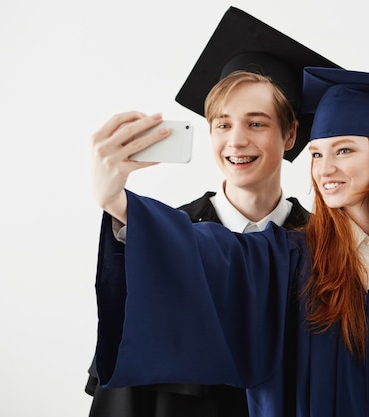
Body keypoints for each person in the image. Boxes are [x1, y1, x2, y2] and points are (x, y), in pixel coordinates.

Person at [90, 67, 369, 417]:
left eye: (344, 150)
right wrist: (118, 203)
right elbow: (215, 251)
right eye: (317, 154)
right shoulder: (288, 256)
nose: (325, 169)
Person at [85, 7, 340, 417]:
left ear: (290, 134)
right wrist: (115, 201)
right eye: (222, 125)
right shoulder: (162, 238)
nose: (236, 141)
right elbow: (128, 381)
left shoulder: (325, 246)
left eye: (256, 123)